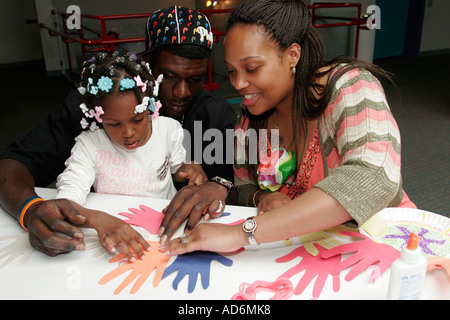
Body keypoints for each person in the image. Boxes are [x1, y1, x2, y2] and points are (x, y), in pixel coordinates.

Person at [160, 0, 416, 255]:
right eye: (231, 71)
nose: (238, 83)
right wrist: (260, 198)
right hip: (310, 249)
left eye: (252, 68)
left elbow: (372, 177)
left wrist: (240, 233)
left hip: (387, 244)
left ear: (292, 55)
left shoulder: (350, 86)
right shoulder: (251, 117)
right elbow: (244, 185)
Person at [0, 6, 236, 257]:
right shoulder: (91, 110)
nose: (182, 92)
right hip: (106, 240)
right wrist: (29, 209)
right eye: (168, 76)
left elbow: (235, 182)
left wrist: (218, 185)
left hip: (178, 245)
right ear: (147, 64)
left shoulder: (214, 114)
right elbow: (13, 164)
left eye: (195, 79)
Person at [52, 52, 207, 260]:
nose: (128, 133)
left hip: (163, 231)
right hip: (113, 235)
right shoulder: (90, 146)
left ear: (150, 107)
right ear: (97, 116)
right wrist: (98, 220)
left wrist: (189, 169)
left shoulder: (168, 130)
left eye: (138, 119)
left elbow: (177, 171)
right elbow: (64, 202)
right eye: (114, 124)